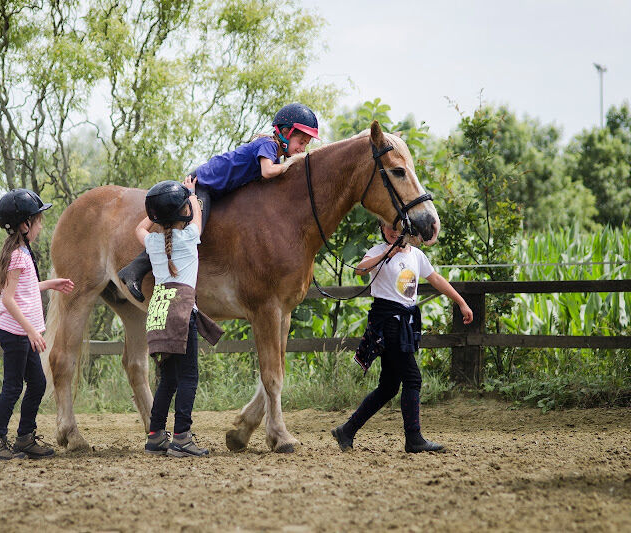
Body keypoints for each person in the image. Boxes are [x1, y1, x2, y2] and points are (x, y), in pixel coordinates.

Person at [119, 103, 321, 302]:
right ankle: (134, 269)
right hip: (202, 185)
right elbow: (267, 172)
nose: (302, 149)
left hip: (220, 191)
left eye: (306, 145)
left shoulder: (275, 157)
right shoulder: (268, 146)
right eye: (301, 142)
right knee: (192, 231)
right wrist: (296, 162)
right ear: (285, 132)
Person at [331, 220, 474, 453]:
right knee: (413, 378)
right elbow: (360, 269)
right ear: (381, 228)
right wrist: (389, 251)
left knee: (388, 387)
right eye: (387, 227)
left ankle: (347, 430)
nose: (392, 231)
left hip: (404, 322)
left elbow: (435, 278)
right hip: (388, 322)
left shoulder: (416, 255)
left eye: (396, 227)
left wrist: (461, 302)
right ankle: (414, 438)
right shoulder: (378, 251)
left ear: (405, 229)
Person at [0, 189, 74, 461]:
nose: (40, 225)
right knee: (13, 387)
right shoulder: (19, 255)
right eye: (37, 220)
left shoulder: (21, 252)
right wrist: (32, 330)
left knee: (36, 384)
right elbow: (8, 300)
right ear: (24, 225)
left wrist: (50, 284)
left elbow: (24, 289)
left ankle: (24, 437)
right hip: (16, 333)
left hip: (23, 333)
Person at [138, 178, 223, 458]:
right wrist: (192, 191)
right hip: (180, 313)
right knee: (189, 377)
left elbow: (139, 227)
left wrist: (154, 215)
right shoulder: (188, 239)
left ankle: (155, 435)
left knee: (169, 379)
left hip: (159, 312)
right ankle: (182, 438)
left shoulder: (151, 241)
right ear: (182, 212)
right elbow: (197, 213)